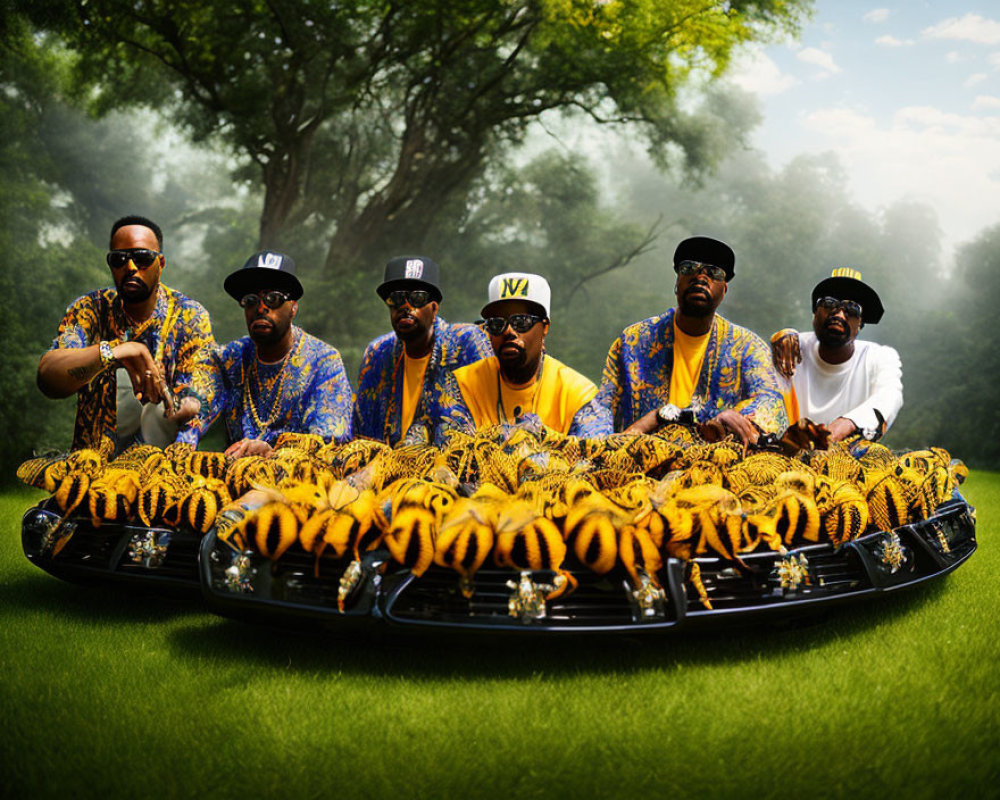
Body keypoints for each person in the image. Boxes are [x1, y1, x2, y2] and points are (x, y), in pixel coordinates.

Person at [37, 215, 215, 454]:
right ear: (111, 265)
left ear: (160, 263)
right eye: (120, 259)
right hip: (92, 466)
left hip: (165, 470)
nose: (130, 268)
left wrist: (179, 401)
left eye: (142, 258)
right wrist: (114, 352)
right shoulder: (91, 309)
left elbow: (201, 396)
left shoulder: (189, 316)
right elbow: (48, 379)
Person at [596, 235, 786, 445]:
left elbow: (770, 401)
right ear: (677, 282)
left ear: (723, 291)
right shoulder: (633, 342)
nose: (700, 277)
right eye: (689, 268)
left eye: (714, 273)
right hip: (641, 465)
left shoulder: (747, 347)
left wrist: (736, 416)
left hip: (716, 468)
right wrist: (597, 445)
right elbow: (600, 408)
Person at [181, 251, 354, 457]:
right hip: (234, 474)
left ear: (293, 308)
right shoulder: (230, 358)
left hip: (298, 480)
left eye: (273, 298)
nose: (261, 308)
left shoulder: (324, 362)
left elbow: (331, 444)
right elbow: (196, 407)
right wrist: (185, 418)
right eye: (251, 300)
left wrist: (272, 452)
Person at [446, 272, 612, 438]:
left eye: (521, 322)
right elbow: (448, 448)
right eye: (497, 324)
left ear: (544, 327)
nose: (509, 331)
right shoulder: (462, 385)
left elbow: (596, 453)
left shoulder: (578, 394)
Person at [353, 255, 492, 445]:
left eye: (417, 297)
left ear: (434, 308)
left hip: (453, 466)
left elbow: (493, 418)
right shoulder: (377, 353)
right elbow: (362, 430)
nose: (405, 306)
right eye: (396, 298)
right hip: (385, 466)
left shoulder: (467, 344)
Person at [770, 268, 902, 448]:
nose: (839, 315)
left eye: (852, 309)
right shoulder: (791, 349)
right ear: (815, 314)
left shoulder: (879, 357)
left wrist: (847, 423)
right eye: (829, 303)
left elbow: (890, 396)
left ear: (860, 324)